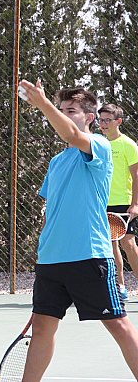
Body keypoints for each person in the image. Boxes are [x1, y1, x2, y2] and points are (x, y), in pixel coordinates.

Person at [18, 79, 138, 380]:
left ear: (89, 117)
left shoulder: (99, 146)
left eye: (71, 110)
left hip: (89, 257)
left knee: (118, 325)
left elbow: (70, 132)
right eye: (61, 109)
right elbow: (52, 211)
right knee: (43, 328)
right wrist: (41, 252)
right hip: (51, 261)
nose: (65, 114)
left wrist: (42, 104)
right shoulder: (57, 162)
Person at [98, 103, 138, 301]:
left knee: (128, 244)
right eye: (101, 120)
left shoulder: (128, 145)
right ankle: (120, 286)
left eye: (107, 120)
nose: (103, 124)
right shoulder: (99, 144)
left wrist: (135, 204)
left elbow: (136, 175)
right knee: (110, 246)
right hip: (101, 202)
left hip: (123, 203)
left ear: (118, 122)